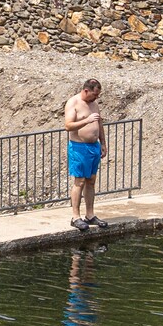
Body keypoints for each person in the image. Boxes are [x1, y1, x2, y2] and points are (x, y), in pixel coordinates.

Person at [62, 78, 106, 229]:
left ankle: (90, 215)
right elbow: (68, 126)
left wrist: (103, 143)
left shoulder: (94, 104)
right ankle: (75, 217)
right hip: (79, 147)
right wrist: (86, 121)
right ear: (86, 90)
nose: (96, 97)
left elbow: (99, 123)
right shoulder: (73, 103)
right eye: (94, 94)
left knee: (91, 181)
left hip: (94, 147)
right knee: (79, 181)